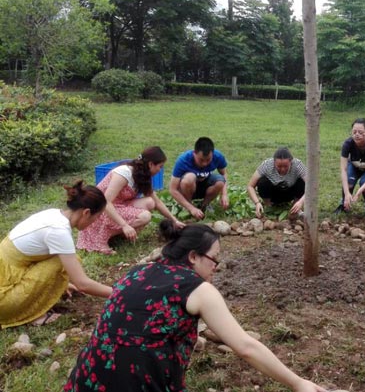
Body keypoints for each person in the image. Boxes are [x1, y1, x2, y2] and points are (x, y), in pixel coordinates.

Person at [64, 221, 328, 392]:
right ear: (193, 256)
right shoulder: (197, 288)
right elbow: (246, 347)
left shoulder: (137, 271)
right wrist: (297, 383)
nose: (216, 267)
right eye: (214, 259)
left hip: (87, 378)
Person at [0, 182, 113, 328]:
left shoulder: (53, 214)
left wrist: (62, 283)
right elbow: (82, 284)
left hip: (9, 274)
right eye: (96, 218)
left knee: (67, 261)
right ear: (86, 213)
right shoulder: (58, 231)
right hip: (4, 299)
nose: (95, 222)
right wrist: (118, 293)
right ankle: (32, 313)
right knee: (61, 263)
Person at [77, 146, 185, 254]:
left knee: (150, 202)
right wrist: (124, 225)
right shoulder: (124, 174)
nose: (160, 170)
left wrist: (174, 220)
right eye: (160, 166)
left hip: (118, 205)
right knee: (145, 216)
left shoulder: (143, 175)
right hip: (100, 211)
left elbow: (157, 202)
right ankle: (100, 238)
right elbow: (105, 202)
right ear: (151, 164)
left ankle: (118, 235)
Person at [334, 118, 365, 222]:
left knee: (364, 183)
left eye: (360, 132)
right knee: (349, 182)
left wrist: (359, 191)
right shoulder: (347, 144)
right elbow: (343, 170)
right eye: (354, 132)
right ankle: (344, 204)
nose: (357, 135)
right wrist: (347, 193)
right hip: (355, 165)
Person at [169, 137, 229, 220]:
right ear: (194, 153)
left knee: (220, 181)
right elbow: (172, 190)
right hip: (188, 188)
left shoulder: (218, 156)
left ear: (212, 154)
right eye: (201, 160)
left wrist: (224, 194)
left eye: (208, 160)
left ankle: (204, 205)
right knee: (189, 178)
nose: (204, 163)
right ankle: (188, 205)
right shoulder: (183, 160)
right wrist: (191, 208)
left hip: (205, 186)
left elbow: (224, 173)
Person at [247, 147, 307, 218]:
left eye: (286, 166)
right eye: (279, 166)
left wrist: (301, 202)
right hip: (273, 194)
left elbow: (311, 186)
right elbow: (250, 186)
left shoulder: (297, 164)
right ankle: (269, 206)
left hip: (290, 193)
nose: (282, 169)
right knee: (262, 181)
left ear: (291, 162)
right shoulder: (267, 165)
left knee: (302, 182)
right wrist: (257, 203)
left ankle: (295, 207)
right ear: (274, 162)